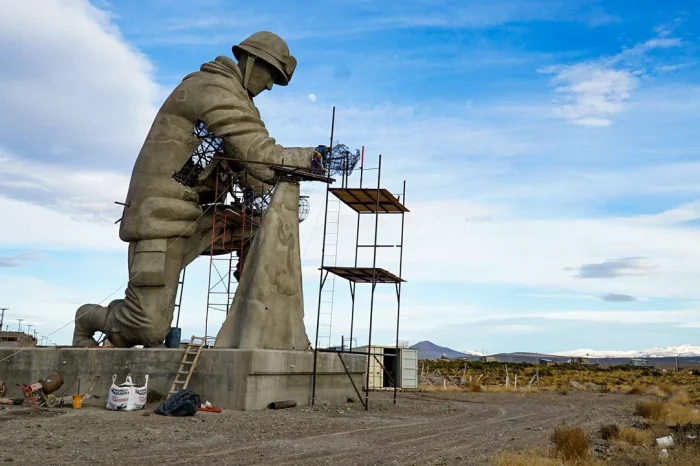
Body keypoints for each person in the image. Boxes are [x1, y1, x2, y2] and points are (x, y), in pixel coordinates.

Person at [73, 31, 327, 348]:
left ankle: (254, 303)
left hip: (199, 219)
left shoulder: (236, 99)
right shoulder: (213, 88)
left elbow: (250, 175)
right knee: (147, 329)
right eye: (270, 74)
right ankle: (88, 318)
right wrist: (310, 159)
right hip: (163, 218)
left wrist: (277, 190)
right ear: (252, 62)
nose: (270, 85)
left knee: (261, 228)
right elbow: (257, 154)